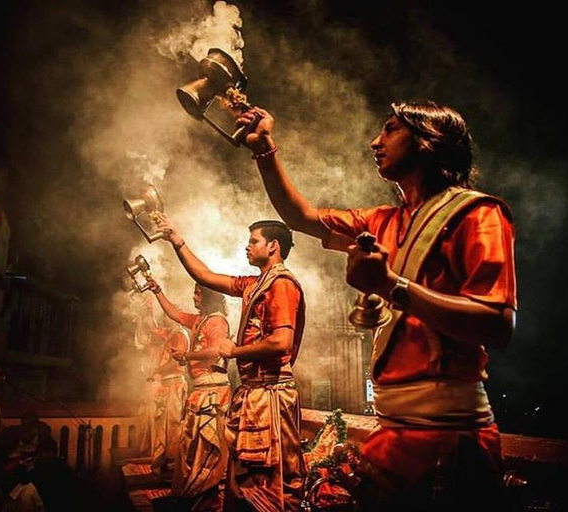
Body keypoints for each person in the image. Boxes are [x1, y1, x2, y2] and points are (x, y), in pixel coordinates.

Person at [236, 101, 517, 510]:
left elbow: (497, 325)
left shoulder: (479, 214)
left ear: (427, 141)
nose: (374, 142)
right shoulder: (382, 221)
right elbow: (302, 216)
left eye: (389, 130)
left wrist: (391, 286)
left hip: (452, 435)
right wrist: (264, 149)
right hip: (393, 433)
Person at [154, 214, 307, 511]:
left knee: (268, 480)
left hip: (271, 394)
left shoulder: (282, 284)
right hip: (253, 392)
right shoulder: (254, 284)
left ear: (273, 246)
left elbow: (282, 342)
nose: (246, 247)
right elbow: (206, 276)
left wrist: (233, 351)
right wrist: (177, 240)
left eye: (253, 241)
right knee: (242, 477)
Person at [145, 278, 234, 510]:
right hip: (201, 392)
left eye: (198, 294)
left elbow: (216, 350)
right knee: (191, 450)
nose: (194, 297)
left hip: (213, 392)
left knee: (207, 452)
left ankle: (202, 501)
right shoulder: (199, 320)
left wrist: (187, 356)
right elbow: (175, 314)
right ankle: (193, 499)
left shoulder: (216, 321)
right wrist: (158, 292)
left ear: (208, 297)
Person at [145, 302, 189, 478]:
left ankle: (173, 466)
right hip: (168, 387)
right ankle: (166, 465)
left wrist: (157, 371)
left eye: (167, 314)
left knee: (173, 428)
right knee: (164, 427)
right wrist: (149, 310)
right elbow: (152, 329)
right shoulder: (170, 333)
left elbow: (177, 361)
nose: (164, 317)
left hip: (175, 387)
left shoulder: (179, 334)